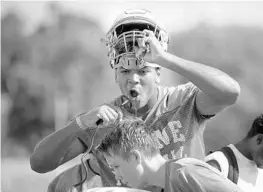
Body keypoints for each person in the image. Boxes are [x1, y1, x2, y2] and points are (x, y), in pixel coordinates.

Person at [30, 8, 240, 191]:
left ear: (158, 73)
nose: (133, 79)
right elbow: (39, 164)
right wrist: (78, 124)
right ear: (115, 75)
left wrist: (166, 59)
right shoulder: (102, 120)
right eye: (124, 71)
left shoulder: (182, 100)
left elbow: (230, 92)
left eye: (142, 70)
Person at [94, 116, 243, 192]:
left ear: (135, 157)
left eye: (116, 167)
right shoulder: (163, 186)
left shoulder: (184, 173)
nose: (116, 176)